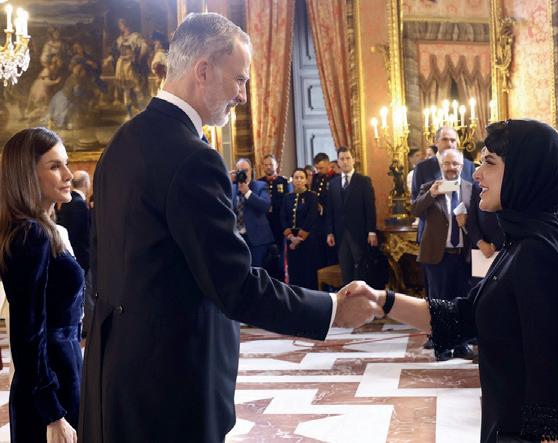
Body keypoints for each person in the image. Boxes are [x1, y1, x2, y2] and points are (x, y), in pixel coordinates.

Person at [79, 13, 381, 442]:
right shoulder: (193, 158)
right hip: (171, 390)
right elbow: (234, 285)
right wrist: (332, 310)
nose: (242, 95)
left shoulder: (122, 143)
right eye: (239, 79)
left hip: (117, 379)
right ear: (203, 70)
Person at [352, 119, 558, 442]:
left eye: (489, 163)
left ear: (523, 172)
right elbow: (464, 316)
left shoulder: (538, 252)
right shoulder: (531, 237)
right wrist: (382, 300)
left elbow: (552, 374)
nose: (476, 174)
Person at [0, 128, 83, 443]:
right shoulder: (29, 235)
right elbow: (27, 335)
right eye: (55, 166)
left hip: (60, 375)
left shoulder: (40, 230)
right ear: (27, 174)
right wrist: (52, 412)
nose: (68, 175)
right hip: (49, 388)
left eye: (66, 164)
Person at [411, 149, 474, 360]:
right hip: (437, 255)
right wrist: (431, 194)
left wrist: (467, 222)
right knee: (439, 303)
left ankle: (462, 344)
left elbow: (480, 219)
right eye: (447, 163)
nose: (451, 168)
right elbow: (416, 210)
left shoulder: (471, 189)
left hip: (463, 256)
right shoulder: (430, 187)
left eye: (455, 164)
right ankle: (443, 346)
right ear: (441, 166)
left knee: (461, 301)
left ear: (462, 166)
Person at [326, 147, 377, 284]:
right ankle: (348, 296)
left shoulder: (363, 181)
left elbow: (370, 207)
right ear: (338, 161)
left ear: (353, 160)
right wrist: (329, 232)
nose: (345, 162)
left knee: (361, 268)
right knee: (345, 268)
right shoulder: (333, 183)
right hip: (340, 232)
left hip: (359, 232)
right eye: (342, 159)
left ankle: (362, 295)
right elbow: (330, 209)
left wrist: (371, 231)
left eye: (348, 158)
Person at [281, 168, 321, 289]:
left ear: (306, 180)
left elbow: (311, 217)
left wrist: (299, 238)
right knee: (294, 272)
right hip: (291, 239)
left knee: (308, 272)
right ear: (292, 180)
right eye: (296, 178)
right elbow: (283, 217)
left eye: (301, 178)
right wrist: (291, 237)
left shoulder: (312, 196)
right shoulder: (287, 197)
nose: (299, 180)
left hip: (307, 239)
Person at [231, 158, 274, 268]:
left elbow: (265, 206)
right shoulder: (232, 188)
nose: (242, 173)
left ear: (251, 170)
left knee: (256, 271)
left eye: (245, 170)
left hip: (257, 239)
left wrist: (247, 192)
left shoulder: (261, 186)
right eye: (239, 171)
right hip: (237, 238)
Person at [258, 154, 292, 279]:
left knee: (280, 258)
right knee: (265, 258)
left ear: (276, 166)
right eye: (266, 165)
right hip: (264, 225)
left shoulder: (283, 182)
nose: (268, 167)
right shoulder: (259, 182)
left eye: (271, 164)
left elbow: (287, 203)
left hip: (279, 224)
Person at [57, 170, 91, 273]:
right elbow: (74, 233)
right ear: (85, 183)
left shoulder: (68, 200)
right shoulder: (79, 203)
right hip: (79, 257)